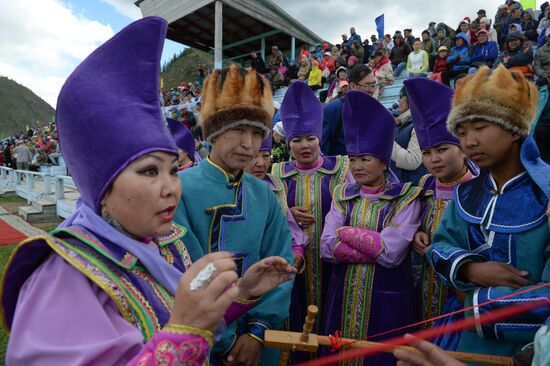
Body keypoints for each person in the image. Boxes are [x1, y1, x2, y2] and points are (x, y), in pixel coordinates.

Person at [2, 17, 295, 366]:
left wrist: (242, 293)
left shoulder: (154, 246)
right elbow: (181, 327)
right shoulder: (65, 276)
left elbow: (183, 317)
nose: (171, 187)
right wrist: (183, 334)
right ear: (103, 185)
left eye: (173, 170)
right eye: (150, 171)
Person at [173, 64, 295, 366]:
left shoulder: (264, 195)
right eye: (238, 129)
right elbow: (183, 267)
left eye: (256, 133)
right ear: (214, 131)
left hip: (258, 346)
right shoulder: (180, 190)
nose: (248, 144)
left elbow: (281, 263)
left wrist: (256, 334)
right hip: (199, 341)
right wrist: (225, 340)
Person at [428, 65, 550, 359]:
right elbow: (438, 247)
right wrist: (471, 269)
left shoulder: (545, 195)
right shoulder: (467, 194)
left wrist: (474, 304)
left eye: (480, 128)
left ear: (514, 130)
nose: (469, 142)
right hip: (461, 344)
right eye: (462, 132)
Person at [321, 90, 422, 366]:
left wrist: (344, 232)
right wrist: (372, 245)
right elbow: (326, 248)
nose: (357, 166)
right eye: (352, 159)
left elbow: (391, 253)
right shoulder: (343, 193)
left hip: (387, 300)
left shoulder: (406, 197)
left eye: (365, 158)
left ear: (383, 160)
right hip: (342, 295)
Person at [272, 81, 350, 341]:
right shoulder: (276, 174)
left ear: (319, 138)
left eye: (310, 138)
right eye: (296, 140)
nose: (304, 145)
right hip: (294, 265)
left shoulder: (342, 167)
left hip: (333, 265)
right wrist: (287, 212)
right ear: (288, 143)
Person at [405, 78, 479, 348]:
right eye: (426, 152)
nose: (433, 159)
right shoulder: (424, 185)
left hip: (462, 293)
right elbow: (411, 224)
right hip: (425, 287)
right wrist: (416, 234)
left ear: (462, 148)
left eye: (442, 149)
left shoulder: (479, 188)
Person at [245, 136, 308, 273]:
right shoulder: (232, 188)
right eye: (253, 156)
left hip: (277, 265)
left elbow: (286, 222)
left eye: (266, 156)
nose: (261, 163)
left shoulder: (275, 185)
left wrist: (296, 250)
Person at [322, 65, 378, 156]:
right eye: (367, 85)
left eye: (373, 85)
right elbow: (322, 149)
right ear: (352, 85)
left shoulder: (375, 110)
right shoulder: (333, 109)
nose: (371, 90)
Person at [390, 87, 428, 185]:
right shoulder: (404, 121)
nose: (398, 100)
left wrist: (385, 140)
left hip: (413, 187)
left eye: (400, 97)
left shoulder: (419, 124)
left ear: (409, 99)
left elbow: (412, 160)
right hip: (404, 184)